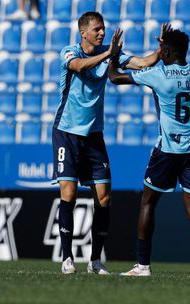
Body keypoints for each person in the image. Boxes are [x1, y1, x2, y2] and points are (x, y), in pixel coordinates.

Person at [53, 12, 168, 275]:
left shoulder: (109, 51)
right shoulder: (69, 52)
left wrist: (160, 51)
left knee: (104, 198)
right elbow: (80, 67)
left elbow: (142, 63)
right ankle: (67, 257)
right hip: (67, 132)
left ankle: (95, 261)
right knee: (68, 193)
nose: (102, 33)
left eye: (103, 29)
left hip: (94, 135)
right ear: (83, 33)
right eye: (97, 29)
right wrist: (109, 54)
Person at [108, 27, 190, 277]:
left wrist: (114, 55)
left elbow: (115, 77)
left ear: (166, 51)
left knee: (148, 202)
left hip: (169, 150)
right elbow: (177, 62)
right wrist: (165, 47)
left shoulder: (159, 74)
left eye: (163, 49)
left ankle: (143, 265)